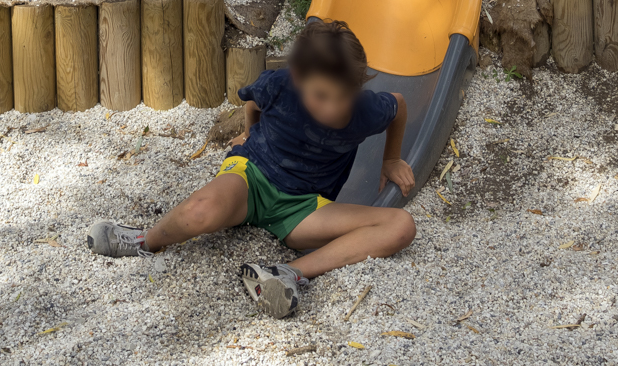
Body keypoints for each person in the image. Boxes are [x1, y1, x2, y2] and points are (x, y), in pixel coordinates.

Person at [86, 20, 416, 320]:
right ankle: (146, 240)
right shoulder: (280, 86)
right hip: (251, 177)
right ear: (299, 79)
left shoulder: (366, 110)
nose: (333, 108)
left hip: (303, 207)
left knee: (401, 226)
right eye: (321, 96)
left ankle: (287, 273)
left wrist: (392, 159)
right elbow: (252, 103)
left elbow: (399, 105)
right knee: (202, 212)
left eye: (344, 96)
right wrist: (247, 133)